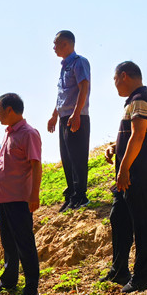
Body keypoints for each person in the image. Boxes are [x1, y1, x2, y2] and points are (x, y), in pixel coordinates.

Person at [102, 61, 147, 293]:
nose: (115, 84)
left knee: (141, 222)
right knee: (119, 218)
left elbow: (138, 136)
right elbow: (131, 137)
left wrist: (124, 169)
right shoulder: (133, 101)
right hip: (128, 174)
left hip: (138, 172)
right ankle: (119, 270)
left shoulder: (141, 99)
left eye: (115, 79)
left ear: (124, 76)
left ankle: (143, 275)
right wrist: (115, 147)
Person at [0, 93, 42, 295]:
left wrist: (34, 195)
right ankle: (9, 283)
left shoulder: (28, 134)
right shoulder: (9, 133)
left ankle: (31, 290)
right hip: (4, 199)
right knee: (8, 244)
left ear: (10, 110)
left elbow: (36, 165)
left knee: (24, 244)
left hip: (19, 199)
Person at [46, 30, 91, 211]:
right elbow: (62, 95)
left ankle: (81, 196)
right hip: (64, 117)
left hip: (77, 116)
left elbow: (84, 87)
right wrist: (54, 115)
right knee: (67, 157)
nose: (54, 47)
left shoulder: (79, 62)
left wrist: (77, 113)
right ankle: (72, 193)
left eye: (56, 44)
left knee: (78, 157)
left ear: (66, 44)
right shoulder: (64, 66)